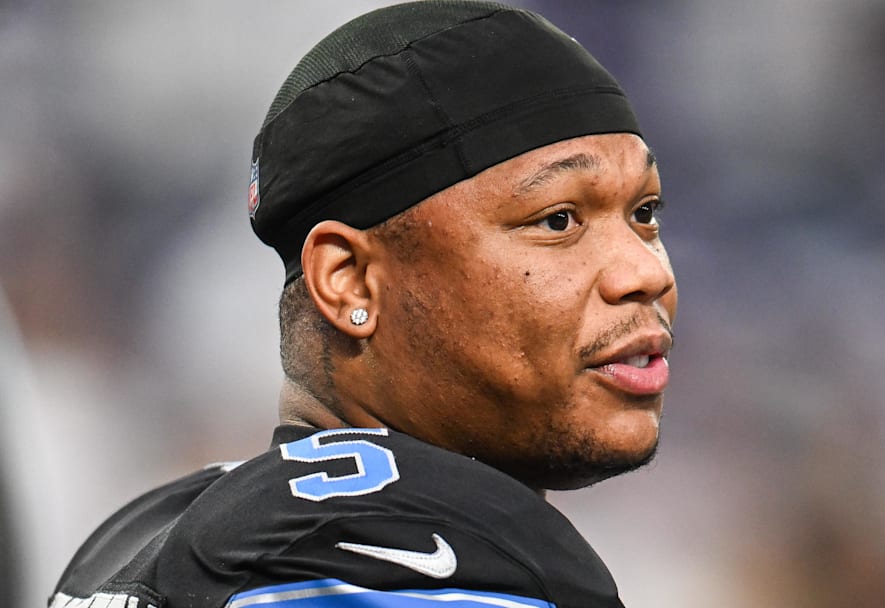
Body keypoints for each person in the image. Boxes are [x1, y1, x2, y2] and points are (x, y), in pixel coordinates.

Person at [49, 1, 677, 607]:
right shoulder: (394, 562)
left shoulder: (139, 533)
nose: (647, 273)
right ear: (349, 280)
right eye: (558, 220)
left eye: (644, 214)